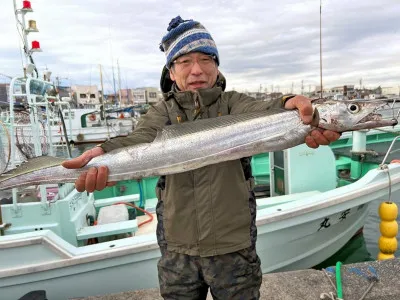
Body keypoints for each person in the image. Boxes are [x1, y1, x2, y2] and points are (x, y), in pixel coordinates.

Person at [63, 16, 340, 300]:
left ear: (217, 66)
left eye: (206, 59)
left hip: (234, 248)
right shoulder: (162, 114)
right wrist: (104, 153)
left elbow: (266, 108)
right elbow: (139, 138)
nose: (197, 70)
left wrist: (292, 106)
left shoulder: (232, 104)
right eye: (184, 61)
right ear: (171, 71)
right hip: (177, 251)